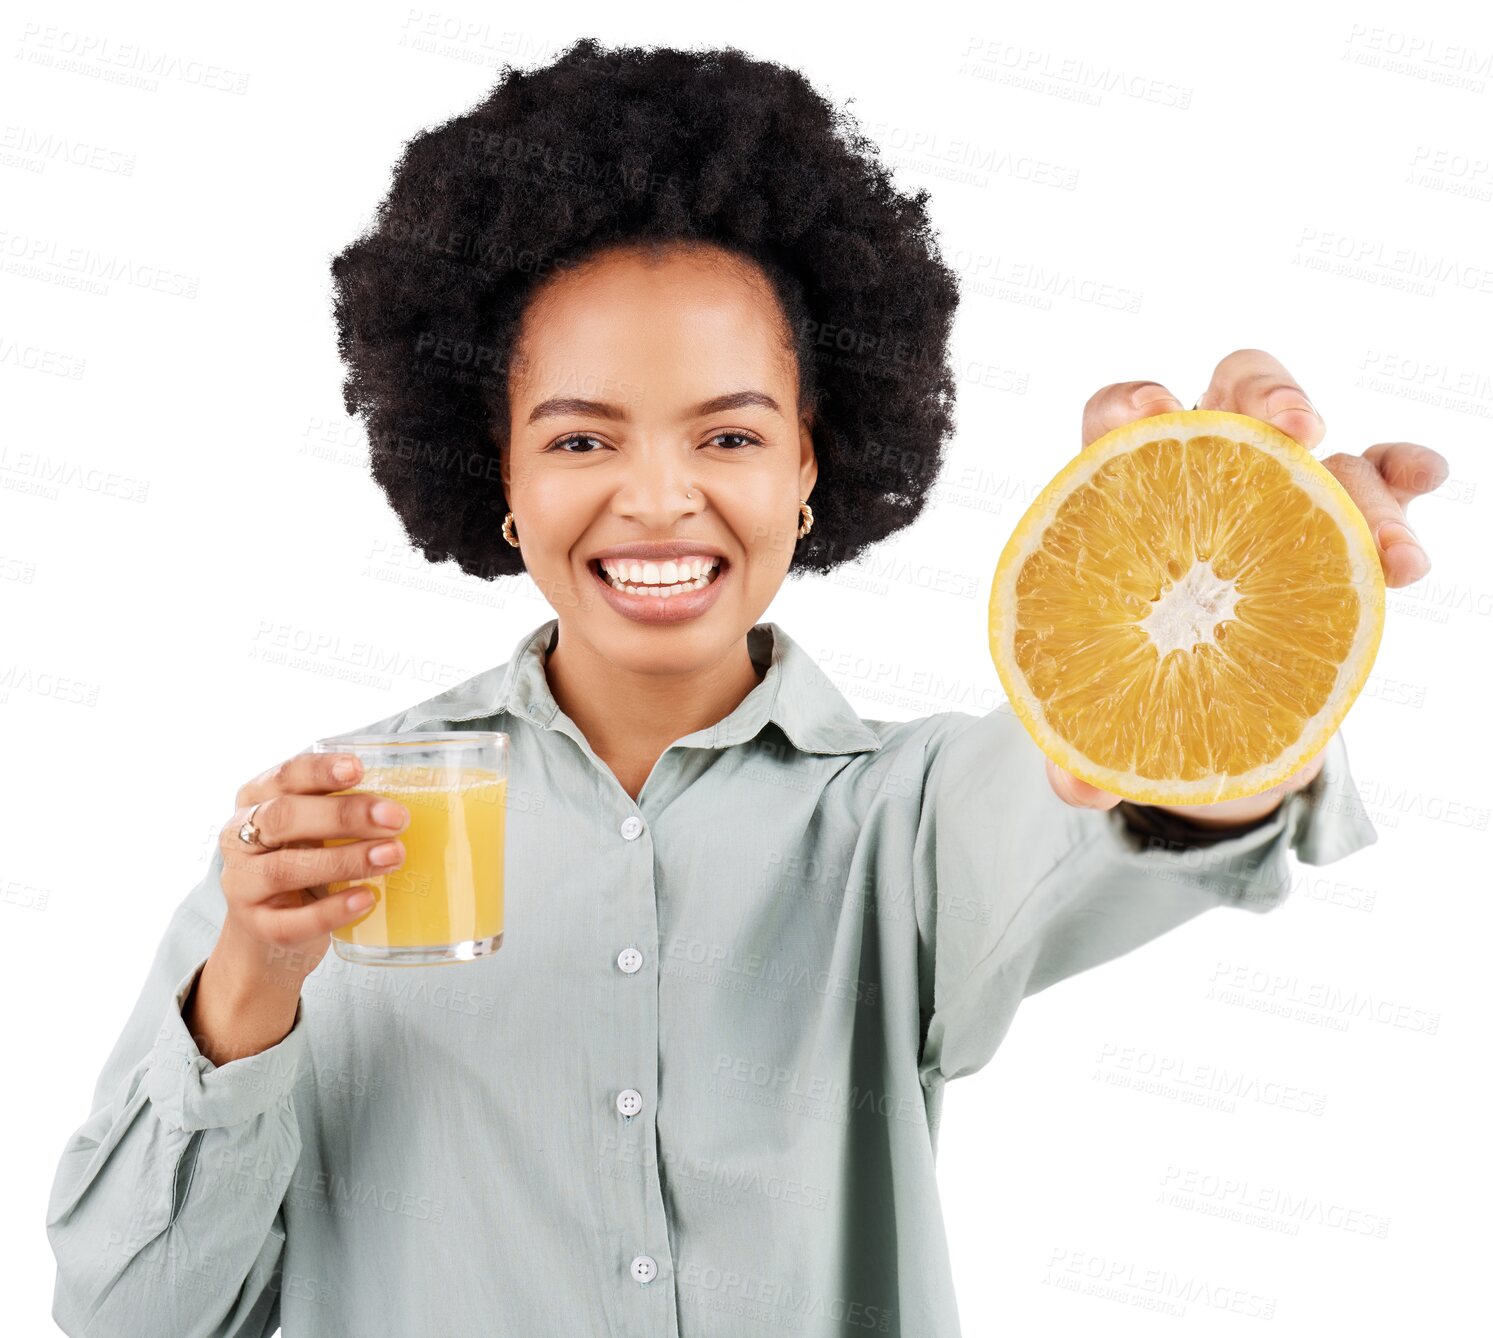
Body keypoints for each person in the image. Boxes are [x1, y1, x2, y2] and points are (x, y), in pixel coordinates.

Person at [46, 37, 1444, 1338]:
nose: (659, 500)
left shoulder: (899, 824)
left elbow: (1136, 783)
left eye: (727, 431)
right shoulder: (337, 834)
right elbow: (129, 1309)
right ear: (504, 482)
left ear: (809, 467)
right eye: (582, 437)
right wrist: (253, 983)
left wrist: (1258, 585)